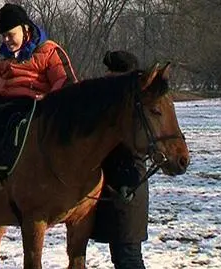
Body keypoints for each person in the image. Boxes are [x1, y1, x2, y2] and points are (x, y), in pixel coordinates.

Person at [90, 50, 148, 269]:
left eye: (110, 72)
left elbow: (135, 156)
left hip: (128, 192)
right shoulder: (120, 105)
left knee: (129, 258)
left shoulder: (132, 110)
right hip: (118, 191)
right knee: (123, 257)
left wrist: (129, 186)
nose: (106, 76)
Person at [0, 3, 78, 113]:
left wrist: (48, 100)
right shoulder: (2, 62)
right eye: (3, 36)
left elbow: (64, 81)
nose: (6, 40)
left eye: (10, 34)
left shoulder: (48, 52)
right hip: (6, 110)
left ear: (26, 30)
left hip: (37, 110)